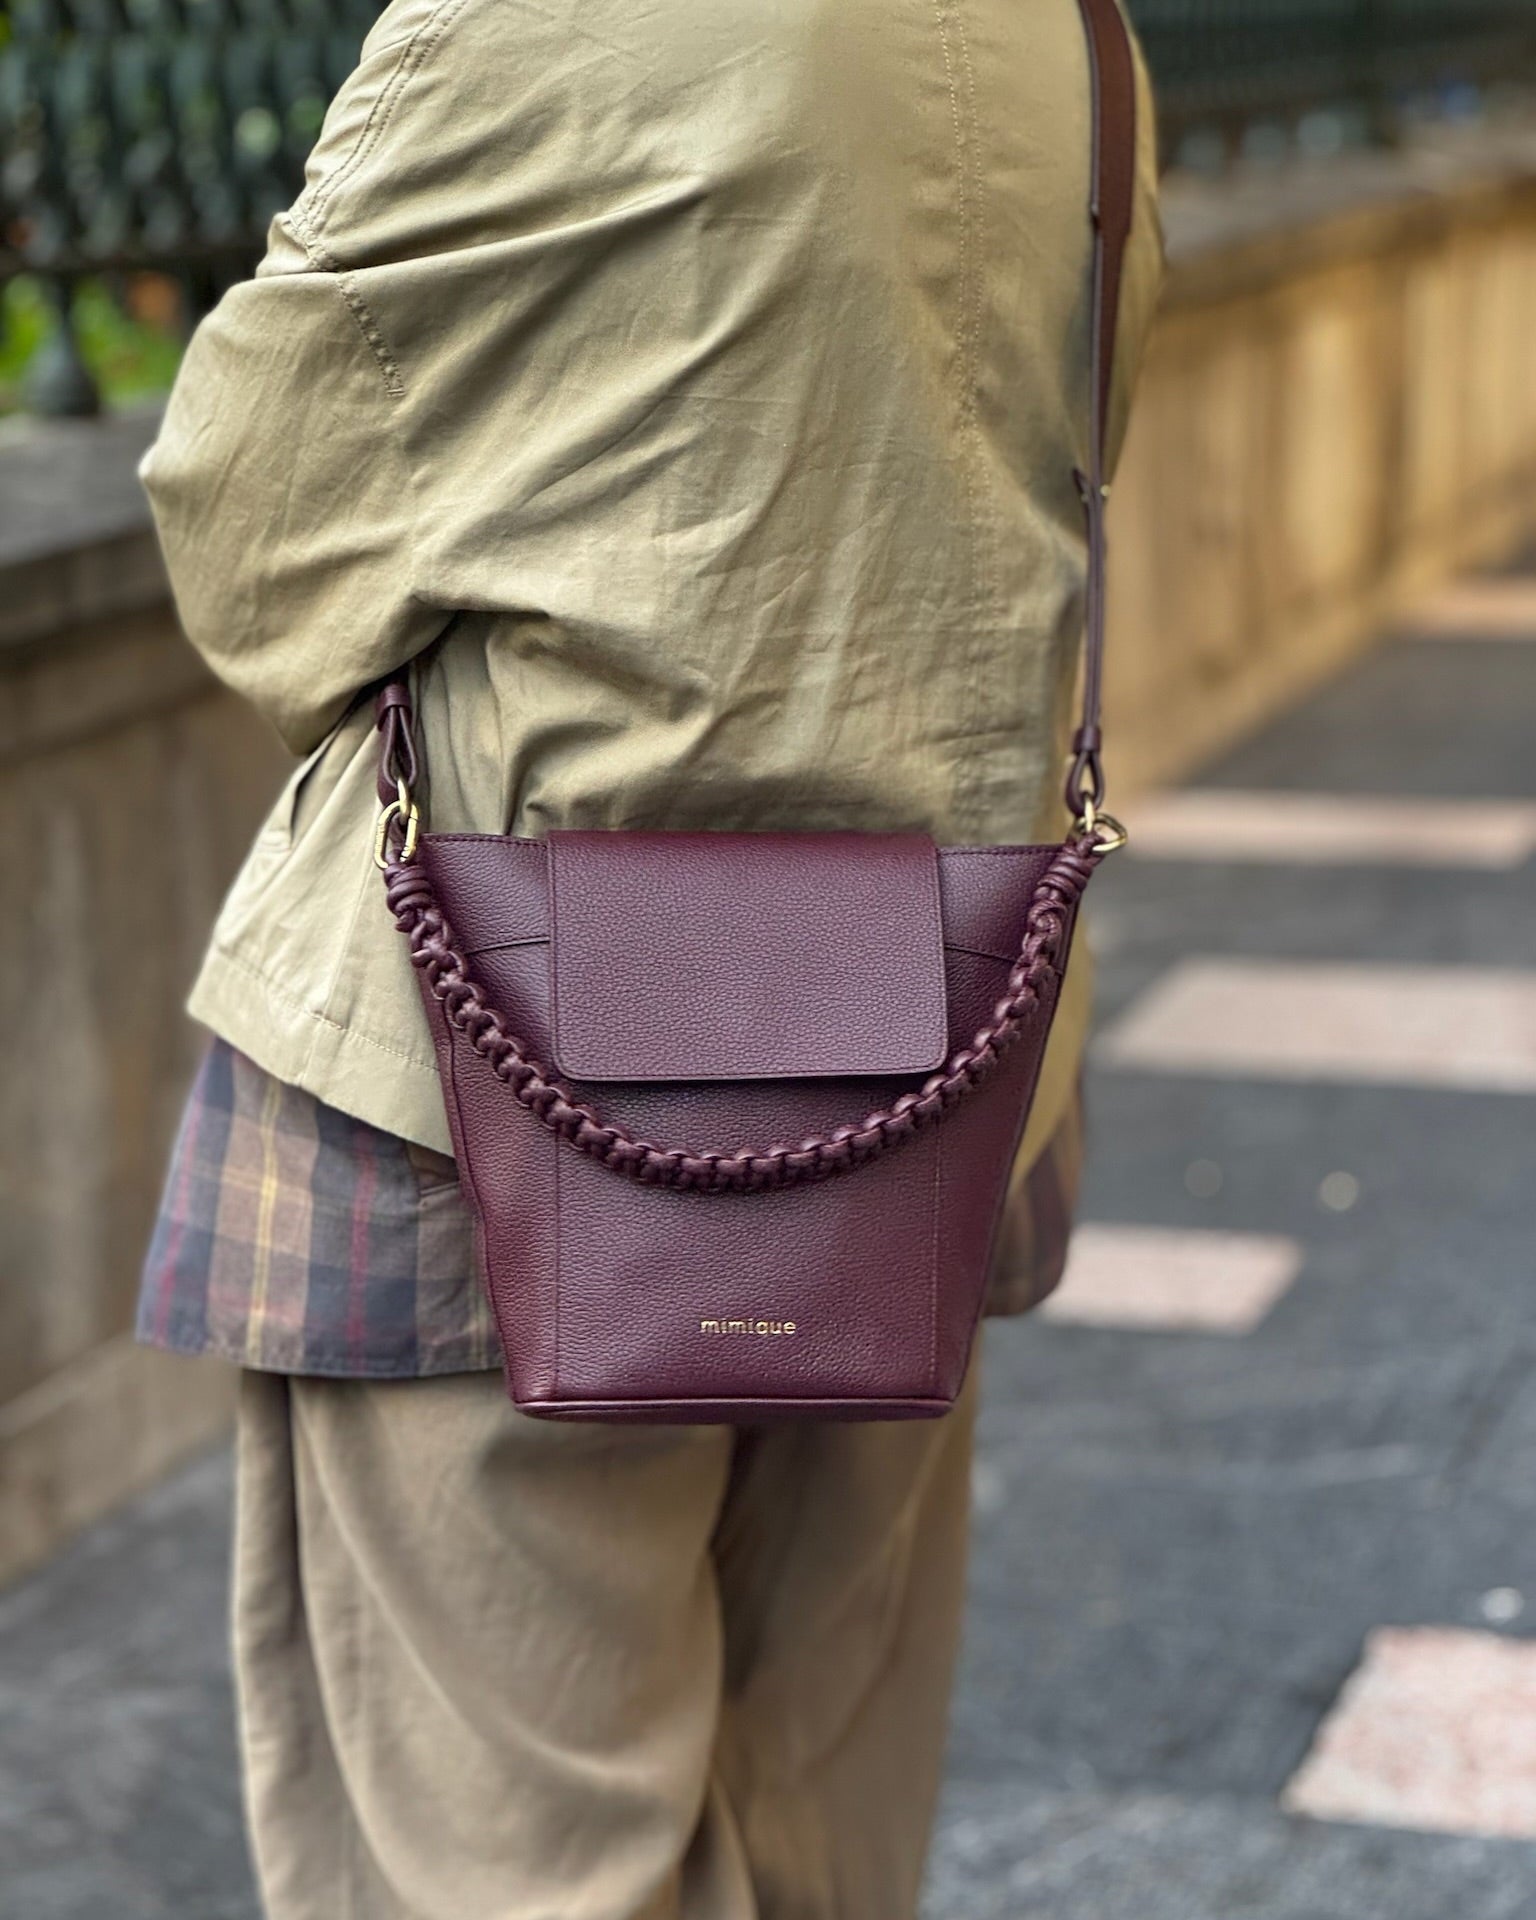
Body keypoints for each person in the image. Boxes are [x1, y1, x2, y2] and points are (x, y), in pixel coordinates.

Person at [136, 1, 1162, 1913]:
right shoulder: (1074, 31)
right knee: (815, 1839)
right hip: (938, 1061)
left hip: (483, 1074)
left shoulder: (520, 19)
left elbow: (251, 528)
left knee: (505, 1862)